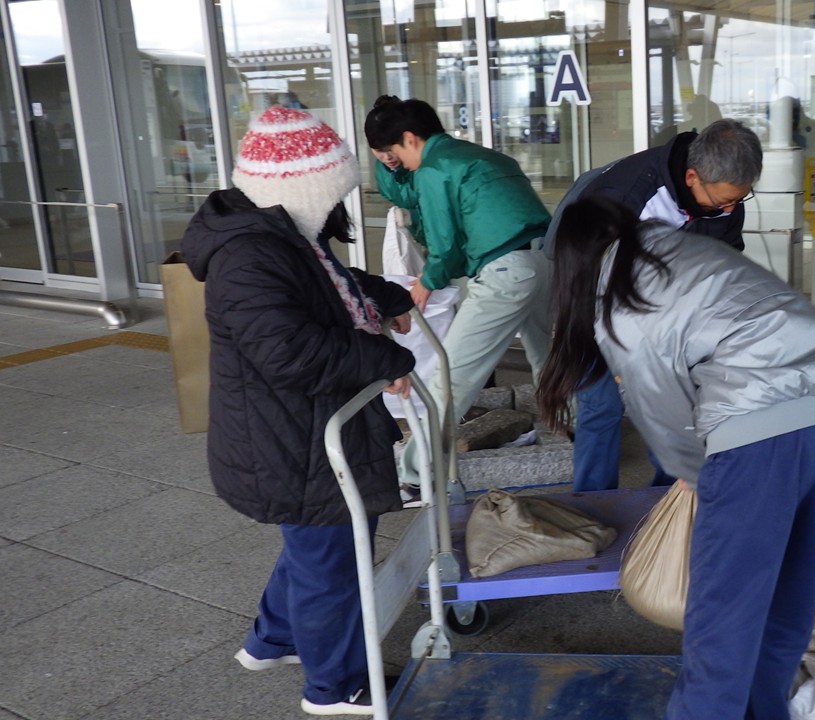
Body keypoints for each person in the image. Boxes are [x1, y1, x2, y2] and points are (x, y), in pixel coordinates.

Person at [537, 196, 815, 720]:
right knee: (790, 593)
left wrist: (694, 475)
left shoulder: (624, 305)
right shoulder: (689, 252)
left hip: (759, 444)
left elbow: (663, 413)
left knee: (723, 624)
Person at [181, 105, 415, 717]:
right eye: (333, 191)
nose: (337, 205)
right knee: (331, 559)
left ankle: (273, 639)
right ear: (305, 190)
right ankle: (334, 687)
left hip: (293, 432)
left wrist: (385, 295)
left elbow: (327, 286)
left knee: (314, 546)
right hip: (290, 442)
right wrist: (383, 358)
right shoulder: (248, 256)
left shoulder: (281, 238)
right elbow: (289, 351)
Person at [544, 118, 763, 491]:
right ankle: (593, 501)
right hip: (590, 293)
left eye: (739, 200)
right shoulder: (626, 196)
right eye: (724, 201)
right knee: (601, 404)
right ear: (692, 178)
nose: (730, 209)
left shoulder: (725, 201)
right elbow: (588, 276)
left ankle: (665, 500)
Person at [364, 94, 552, 424]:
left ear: (410, 138)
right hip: (547, 259)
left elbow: (445, 243)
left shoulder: (433, 169)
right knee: (551, 359)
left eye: (396, 153)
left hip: (505, 271)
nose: (401, 163)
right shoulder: (485, 155)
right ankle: (575, 431)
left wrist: (427, 282)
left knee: (451, 377)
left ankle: (422, 456)